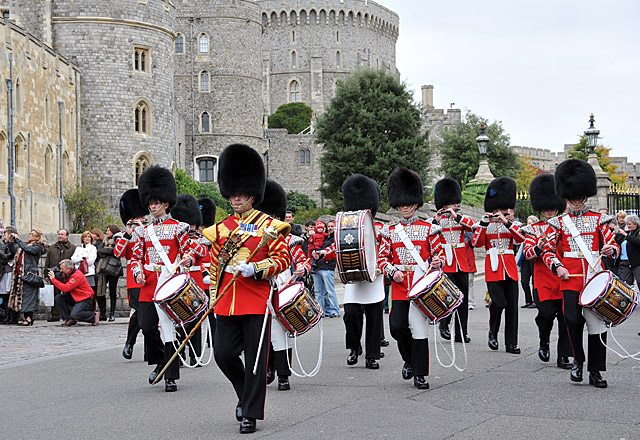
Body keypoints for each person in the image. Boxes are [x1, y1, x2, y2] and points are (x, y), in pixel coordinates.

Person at [202, 144, 291, 434]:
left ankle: (250, 413)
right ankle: (245, 395)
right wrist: (210, 277)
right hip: (227, 301)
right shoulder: (221, 228)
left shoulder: (270, 226)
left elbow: (282, 258)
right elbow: (213, 262)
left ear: (252, 195)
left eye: (241, 193)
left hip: (255, 299)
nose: (237, 198)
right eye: (233, 193)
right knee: (223, 354)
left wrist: (257, 269)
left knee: (255, 361)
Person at [542, 159, 619, 388]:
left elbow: (613, 244)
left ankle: (596, 371)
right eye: (572, 197)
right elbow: (547, 250)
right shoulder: (559, 223)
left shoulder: (600, 220)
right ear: (566, 196)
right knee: (572, 320)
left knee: (596, 326)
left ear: (586, 195)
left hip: (595, 279)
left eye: (579, 196)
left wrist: (610, 249)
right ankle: (578, 360)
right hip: (570, 280)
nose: (576, 200)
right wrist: (558, 266)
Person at [131, 165, 207, 393]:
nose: (153, 206)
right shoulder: (143, 231)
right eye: (150, 203)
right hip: (149, 284)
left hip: (169, 281)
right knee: (146, 327)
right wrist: (137, 271)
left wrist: (188, 260)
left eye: (156, 203)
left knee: (168, 329)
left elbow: (196, 251)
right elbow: (136, 257)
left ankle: (170, 376)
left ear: (165, 203)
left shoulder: (180, 228)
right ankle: (162, 362)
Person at [378, 168, 444, 390]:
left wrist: (438, 263)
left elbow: (440, 255)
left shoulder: (430, 230)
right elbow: (382, 258)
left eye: (409, 203)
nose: (405, 207)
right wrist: (391, 271)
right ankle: (409, 359)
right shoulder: (390, 231)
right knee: (397, 327)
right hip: (398, 286)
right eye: (402, 204)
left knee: (418, 329)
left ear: (416, 203)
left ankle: (420, 373)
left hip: (421, 285)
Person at [255, 179, 311, 391]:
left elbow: (303, 262)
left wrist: (301, 270)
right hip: (260, 289)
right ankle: (268, 367)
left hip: (281, 287)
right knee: (263, 332)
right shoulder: (255, 239)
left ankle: (283, 374)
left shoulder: (290, 241)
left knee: (280, 332)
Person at [521, 174, 572, 369]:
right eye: (545, 207)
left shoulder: (567, 226)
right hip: (544, 280)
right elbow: (527, 254)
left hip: (565, 278)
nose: (549, 210)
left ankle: (563, 356)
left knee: (566, 318)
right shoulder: (533, 229)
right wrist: (539, 248)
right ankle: (544, 341)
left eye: (552, 206)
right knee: (546, 315)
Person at [472, 177, 525, 354]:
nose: (500, 211)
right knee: (499, 302)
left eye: (503, 208)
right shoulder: (486, 225)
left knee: (512, 308)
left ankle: (511, 343)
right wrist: (483, 224)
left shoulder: (513, 224)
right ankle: (492, 332)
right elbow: (476, 243)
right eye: (497, 209)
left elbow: (520, 239)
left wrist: (506, 222)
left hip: (509, 267)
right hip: (493, 267)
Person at [432, 177, 476, 343]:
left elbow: (474, 226)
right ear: (444, 204)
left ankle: (461, 333)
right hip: (446, 263)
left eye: (456, 203)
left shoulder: (460, 217)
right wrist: (437, 220)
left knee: (462, 299)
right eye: (453, 203)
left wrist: (456, 216)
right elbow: (430, 234)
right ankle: (444, 324)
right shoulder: (437, 220)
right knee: (448, 296)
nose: (456, 204)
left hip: (461, 263)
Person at [114, 188, 148, 360]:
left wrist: (143, 230)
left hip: (150, 276)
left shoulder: (150, 230)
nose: (139, 220)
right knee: (140, 310)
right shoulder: (123, 235)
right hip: (134, 278)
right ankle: (130, 343)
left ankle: (144, 346)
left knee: (147, 313)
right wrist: (128, 234)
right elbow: (118, 253)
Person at [8, 229, 48, 326]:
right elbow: (15, 251)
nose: (29, 235)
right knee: (24, 296)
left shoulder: (38, 247)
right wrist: (11, 242)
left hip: (30, 275)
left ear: (38, 237)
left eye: (32, 234)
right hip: (22, 275)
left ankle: (29, 318)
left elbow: (27, 249)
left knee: (30, 297)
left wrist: (18, 239)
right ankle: (26, 317)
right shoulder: (26, 245)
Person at [50, 259, 98, 326]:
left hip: (85, 298)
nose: (61, 271)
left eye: (62, 269)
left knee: (75, 315)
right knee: (59, 298)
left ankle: (93, 316)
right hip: (75, 296)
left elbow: (66, 288)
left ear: (68, 268)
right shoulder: (68, 273)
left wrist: (53, 279)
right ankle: (69, 319)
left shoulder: (77, 276)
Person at [309, 221, 340, 318]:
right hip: (317, 266)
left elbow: (331, 250)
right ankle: (321, 311)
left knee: (329, 291)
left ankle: (334, 310)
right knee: (318, 292)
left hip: (327, 267)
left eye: (332, 226)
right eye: (329, 226)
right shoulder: (324, 237)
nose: (330, 228)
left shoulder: (336, 238)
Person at [44, 229, 76, 322]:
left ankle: (69, 315)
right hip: (54, 274)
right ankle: (55, 315)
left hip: (67, 275)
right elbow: (47, 262)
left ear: (67, 236)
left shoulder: (72, 248)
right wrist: (46, 274)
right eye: (59, 234)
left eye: (62, 234)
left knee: (68, 294)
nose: (60, 236)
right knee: (55, 294)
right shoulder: (52, 248)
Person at [96, 224, 123, 322]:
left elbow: (116, 252)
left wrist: (104, 251)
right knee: (101, 291)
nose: (107, 232)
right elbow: (99, 252)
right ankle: (103, 313)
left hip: (113, 268)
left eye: (108, 230)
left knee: (112, 292)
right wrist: (105, 251)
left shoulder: (118, 240)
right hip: (103, 268)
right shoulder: (104, 241)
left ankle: (112, 313)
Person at [520, 215, 538, 309]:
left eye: (530, 223)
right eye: (527, 223)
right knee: (524, 281)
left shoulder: (537, 232)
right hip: (525, 258)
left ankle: (536, 301)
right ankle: (528, 300)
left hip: (534, 258)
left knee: (535, 282)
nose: (528, 225)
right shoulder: (524, 232)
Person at [0, 226, 18, 324]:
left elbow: (11, 256)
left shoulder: (15, 245)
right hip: (4, 271)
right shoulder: (4, 245)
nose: (4, 236)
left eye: (6, 235)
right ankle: (6, 315)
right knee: (4, 295)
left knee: (11, 294)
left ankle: (13, 316)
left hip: (11, 271)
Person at [618, 215, 640, 292]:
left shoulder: (637, 233)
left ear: (635, 224)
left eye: (630, 224)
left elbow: (637, 242)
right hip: (624, 262)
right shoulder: (627, 233)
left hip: (636, 262)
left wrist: (626, 235)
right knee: (626, 284)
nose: (628, 226)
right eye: (627, 224)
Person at [91, 228, 106, 319]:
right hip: (92, 270)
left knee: (100, 293)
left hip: (98, 270)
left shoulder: (101, 245)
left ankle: (103, 312)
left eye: (93, 234)